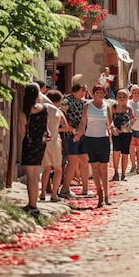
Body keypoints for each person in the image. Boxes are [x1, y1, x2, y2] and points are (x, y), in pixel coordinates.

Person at [74, 83, 114, 208]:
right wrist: (78, 134)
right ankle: (99, 194)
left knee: (104, 168)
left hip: (103, 139)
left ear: (104, 93)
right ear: (93, 93)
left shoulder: (107, 107)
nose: (100, 94)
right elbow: (82, 123)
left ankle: (107, 195)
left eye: (102, 92)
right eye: (97, 92)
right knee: (95, 169)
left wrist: (113, 129)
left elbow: (110, 123)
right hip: (90, 139)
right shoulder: (87, 106)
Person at [18, 83, 55, 215]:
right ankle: (34, 203)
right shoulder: (44, 108)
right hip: (41, 143)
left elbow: (22, 132)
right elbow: (46, 126)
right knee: (35, 174)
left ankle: (32, 204)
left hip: (29, 144)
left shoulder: (25, 112)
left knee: (31, 176)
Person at [59, 83, 91, 199]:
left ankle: (86, 188)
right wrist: (70, 129)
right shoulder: (66, 101)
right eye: (82, 90)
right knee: (72, 161)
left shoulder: (84, 102)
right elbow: (61, 115)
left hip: (84, 134)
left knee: (84, 159)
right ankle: (65, 189)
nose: (84, 93)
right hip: (70, 134)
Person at [40, 89, 70, 202]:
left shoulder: (41, 109)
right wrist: (56, 129)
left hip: (44, 139)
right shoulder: (58, 111)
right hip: (55, 140)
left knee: (46, 168)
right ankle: (54, 194)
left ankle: (42, 192)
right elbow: (66, 126)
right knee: (58, 168)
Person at [112, 88, 133, 180]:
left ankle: (123, 174)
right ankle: (116, 172)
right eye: (119, 96)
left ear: (127, 97)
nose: (121, 98)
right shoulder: (113, 107)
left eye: (124, 96)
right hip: (116, 133)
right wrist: (113, 128)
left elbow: (132, 120)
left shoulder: (129, 108)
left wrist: (127, 127)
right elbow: (110, 119)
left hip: (127, 133)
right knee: (116, 153)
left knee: (125, 153)